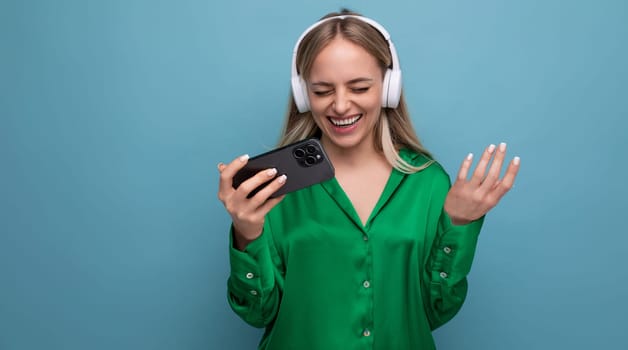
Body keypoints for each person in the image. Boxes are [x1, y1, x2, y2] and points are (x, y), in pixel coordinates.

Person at [217, 9, 520, 350]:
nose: (341, 105)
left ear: (389, 87)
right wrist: (247, 234)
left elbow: (436, 311)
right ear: (303, 95)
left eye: (360, 87)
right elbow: (257, 313)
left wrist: (460, 223)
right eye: (321, 91)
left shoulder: (429, 183)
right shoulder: (273, 189)